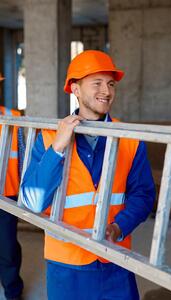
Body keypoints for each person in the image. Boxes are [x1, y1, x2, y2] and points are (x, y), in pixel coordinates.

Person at [21, 50, 156, 300]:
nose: (106, 91)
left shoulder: (128, 138)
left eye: (111, 83)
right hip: (66, 263)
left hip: (115, 258)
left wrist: (119, 226)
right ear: (75, 89)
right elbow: (32, 202)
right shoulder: (49, 138)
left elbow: (143, 194)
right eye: (97, 83)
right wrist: (58, 149)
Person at [0, 73, 24, 300]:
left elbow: (23, 157)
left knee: (7, 249)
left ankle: (13, 292)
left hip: (6, 196)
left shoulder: (12, 117)